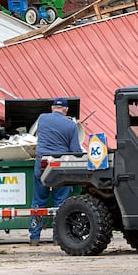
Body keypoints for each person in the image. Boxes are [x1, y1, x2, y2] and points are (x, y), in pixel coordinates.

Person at [29, 97, 82, 246]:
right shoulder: (71, 126)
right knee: (60, 202)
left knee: (39, 201)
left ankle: (34, 237)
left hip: (42, 162)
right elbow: (76, 151)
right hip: (60, 166)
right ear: (66, 110)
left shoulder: (42, 118)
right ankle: (58, 237)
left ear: (52, 108)